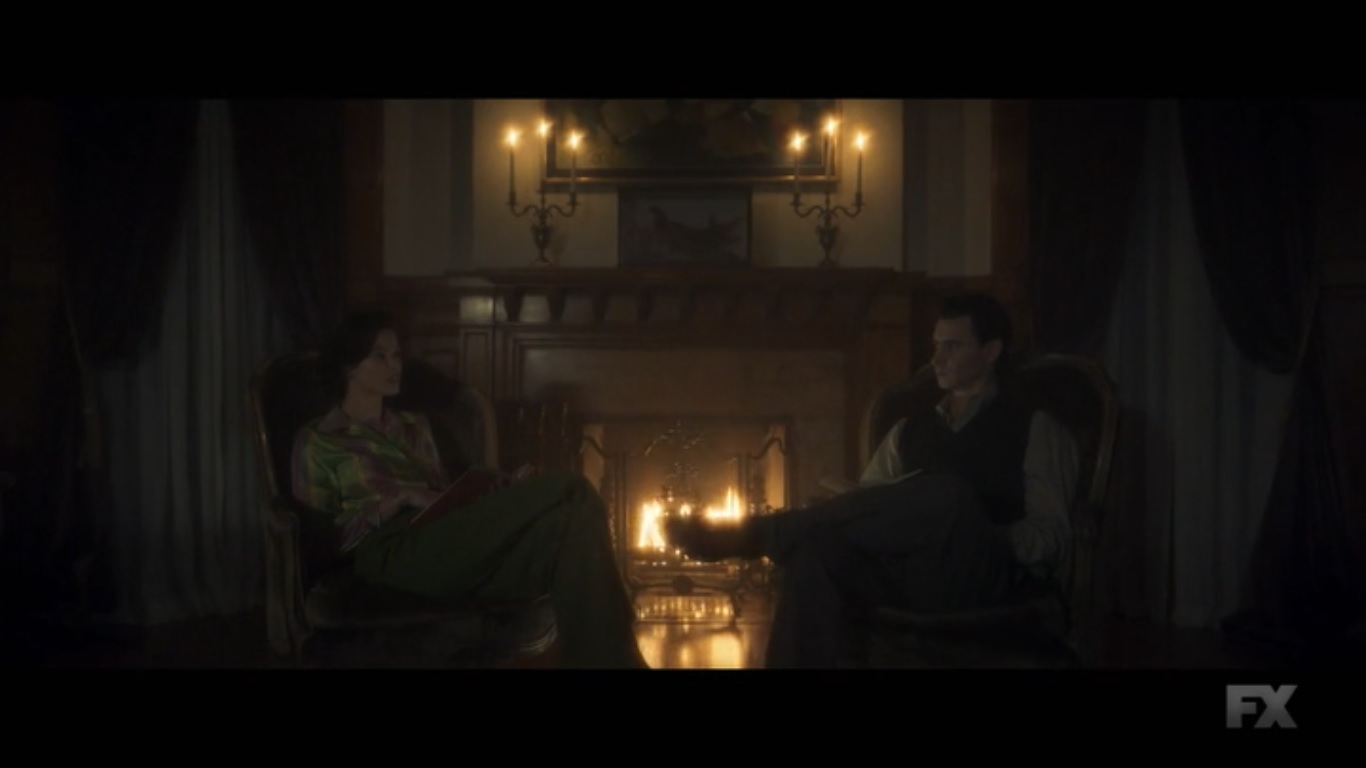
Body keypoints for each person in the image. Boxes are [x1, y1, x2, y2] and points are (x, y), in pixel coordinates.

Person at [665, 294, 1080, 668]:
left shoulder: (1035, 428)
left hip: (982, 575)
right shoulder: (907, 431)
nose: (937, 359)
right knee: (817, 550)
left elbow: (1052, 536)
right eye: (936, 345)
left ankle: (762, 533)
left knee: (947, 494)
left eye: (952, 347)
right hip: (910, 575)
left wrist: (971, 529)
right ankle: (777, 538)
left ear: (990, 352)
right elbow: (868, 508)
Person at [291, 311, 647, 669]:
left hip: (445, 532)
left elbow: (445, 492)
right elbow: (320, 539)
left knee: (572, 527)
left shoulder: (414, 427)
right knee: (573, 490)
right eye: (379, 356)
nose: (394, 365)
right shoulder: (319, 440)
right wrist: (394, 502)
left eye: (396, 355)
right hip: (386, 549)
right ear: (349, 367)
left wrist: (501, 488)